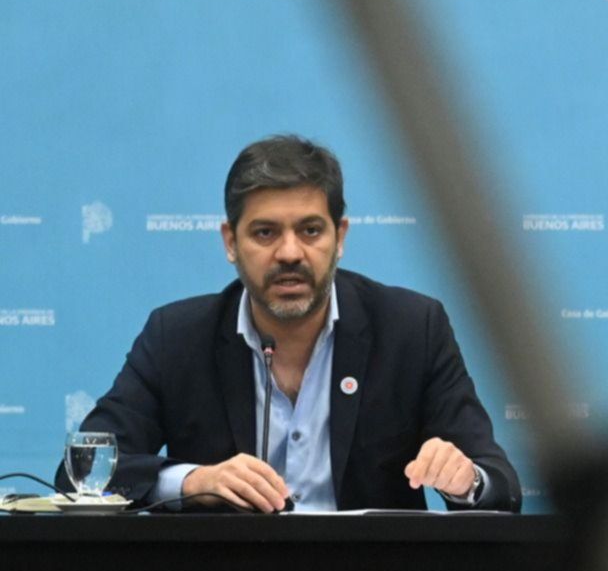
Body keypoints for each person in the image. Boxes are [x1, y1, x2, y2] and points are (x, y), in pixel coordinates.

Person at [74, 135, 522, 512]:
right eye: (265, 233)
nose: (289, 253)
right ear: (230, 242)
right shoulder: (177, 337)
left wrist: (466, 480)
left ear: (339, 237)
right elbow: (85, 470)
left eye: (310, 230)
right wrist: (193, 481)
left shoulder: (411, 329)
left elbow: (500, 484)